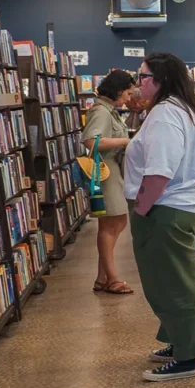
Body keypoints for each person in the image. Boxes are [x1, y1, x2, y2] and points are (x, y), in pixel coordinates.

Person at [124, 53, 195, 382]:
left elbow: (160, 172)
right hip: (191, 204)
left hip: (168, 209)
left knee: (174, 284)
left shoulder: (164, 115)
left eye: (143, 77)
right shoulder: (187, 109)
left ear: (160, 81)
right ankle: (180, 340)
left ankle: (187, 356)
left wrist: (141, 208)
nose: (138, 85)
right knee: (175, 280)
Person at [82, 70, 137, 295]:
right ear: (117, 90)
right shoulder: (101, 112)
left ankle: (102, 277)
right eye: (127, 93)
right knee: (111, 225)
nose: (128, 98)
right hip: (107, 172)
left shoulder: (109, 111)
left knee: (116, 223)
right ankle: (112, 279)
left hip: (112, 170)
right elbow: (91, 142)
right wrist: (127, 140)